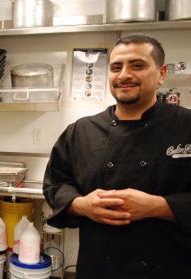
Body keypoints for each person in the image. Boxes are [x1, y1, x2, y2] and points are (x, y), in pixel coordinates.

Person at [43, 33, 191, 279]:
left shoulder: (187, 126)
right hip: (98, 267)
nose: (124, 75)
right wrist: (82, 205)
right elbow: (56, 184)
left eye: (137, 65)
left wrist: (159, 207)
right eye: (116, 67)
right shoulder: (82, 131)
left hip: (171, 267)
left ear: (161, 73)